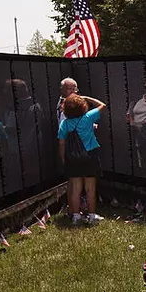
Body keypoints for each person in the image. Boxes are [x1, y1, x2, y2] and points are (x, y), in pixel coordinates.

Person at [58, 94, 106, 225]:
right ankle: (91, 216)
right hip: (90, 156)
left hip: (72, 158)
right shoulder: (88, 117)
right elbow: (102, 105)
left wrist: (63, 159)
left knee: (76, 188)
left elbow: (61, 143)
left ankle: (75, 216)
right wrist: (87, 97)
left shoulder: (64, 123)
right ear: (82, 106)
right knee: (90, 188)